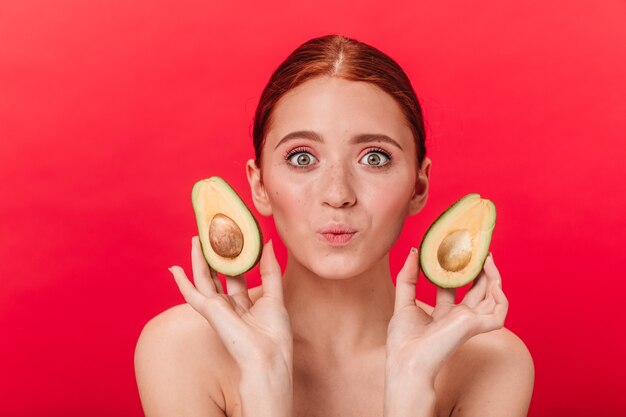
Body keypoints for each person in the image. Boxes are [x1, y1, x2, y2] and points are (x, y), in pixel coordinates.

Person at [134, 34, 534, 417]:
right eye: (302, 158)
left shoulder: (490, 361)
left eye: (374, 158)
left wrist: (412, 383)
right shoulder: (181, 348)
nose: (338, 193)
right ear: (259, 185)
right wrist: (263, 377)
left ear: (418, 185)